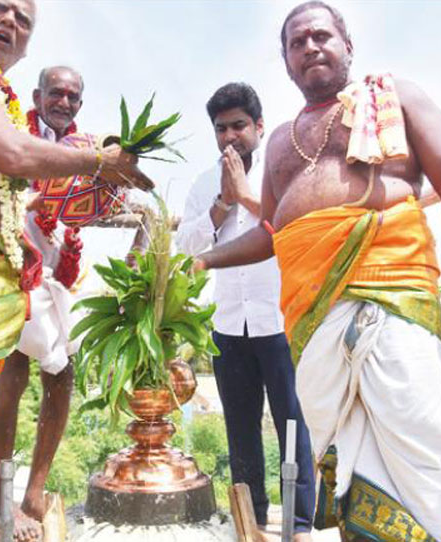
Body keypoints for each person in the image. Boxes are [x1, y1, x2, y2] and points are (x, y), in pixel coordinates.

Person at [192, 3, 441, 540]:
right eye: (297, 42)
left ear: (347, 45)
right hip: (316, 326)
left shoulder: (395, 98)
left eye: (321, 36)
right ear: (286, 63)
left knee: (421, 450)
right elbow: (270, 233)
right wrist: (203, 258)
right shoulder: (283, 142)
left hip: (394, 294)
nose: (310, 47)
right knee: (346, 465)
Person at [0, 1, 152, 539]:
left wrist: (131, 217)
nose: (9, 22)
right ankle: (6, 493)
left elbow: (88, 208)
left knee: (50, 377)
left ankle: (33, 488)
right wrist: (97, 164)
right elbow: (13, 157)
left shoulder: (44, 123)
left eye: (23, 19)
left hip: (16, 280)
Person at [175, 82, 315, 538]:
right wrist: (222, 203)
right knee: (240, 429)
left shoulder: (283, 172)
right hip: (228, 325)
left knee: (293, 422)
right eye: (221, 129)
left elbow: (294, 228)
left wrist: (245, 192)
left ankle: (298, 522)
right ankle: (249, 520)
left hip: (280, 321)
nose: (230, 136)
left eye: (239, 125)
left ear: (259, 126)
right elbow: (185, 248)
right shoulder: (203, 183)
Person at [0, 65, 91, 538]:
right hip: (12, 265)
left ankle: (36, 487)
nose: (64, 102)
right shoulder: (13, 130)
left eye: (73, 96)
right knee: (11, 370)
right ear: (38, 95)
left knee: (62, 373)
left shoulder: (85, 149)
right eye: (57, 93)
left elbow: (96, 200)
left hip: (58, 271)